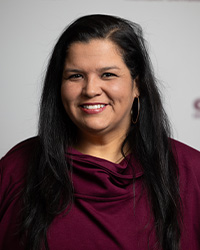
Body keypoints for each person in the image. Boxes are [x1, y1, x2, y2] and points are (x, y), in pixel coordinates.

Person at [0, 14, 200, 250]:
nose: (90, 89)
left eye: (108, 75)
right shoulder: (16, 169)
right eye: (76, 76)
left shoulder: (191, 172)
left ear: (137, 85)